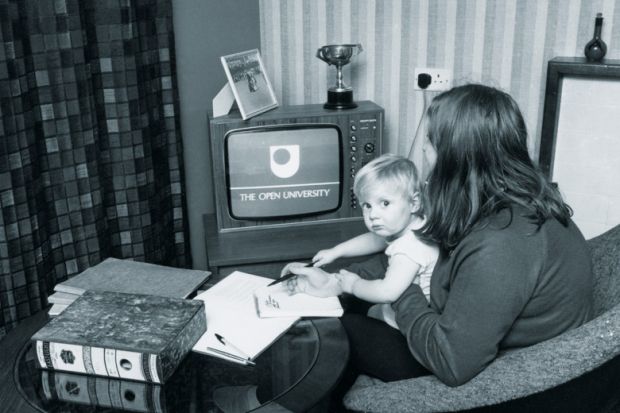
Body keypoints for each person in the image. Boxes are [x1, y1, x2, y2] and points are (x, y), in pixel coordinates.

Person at [283, 84, 593, 403]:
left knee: (330, 333)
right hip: (467, 332)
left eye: (430, 143)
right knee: (338, 307)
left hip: (493, 381)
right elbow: (416, 253)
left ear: (454, 157)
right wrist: (338, 283)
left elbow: (452, 362)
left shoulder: (502, 243)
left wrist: (398, 288)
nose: (424, 154)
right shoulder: (497, 201)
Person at [285, 153, 438, 330]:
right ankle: (328, 286)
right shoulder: (416, 224)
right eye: (367, 205)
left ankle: (331, 289)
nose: (373, 215)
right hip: (403, 304)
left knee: (347, 323)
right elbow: (376, 240)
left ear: (414, 203)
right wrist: (336, 251)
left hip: (406, 323)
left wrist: (354, 285)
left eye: (385, 203)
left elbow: (387, 292)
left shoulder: (409, 249)